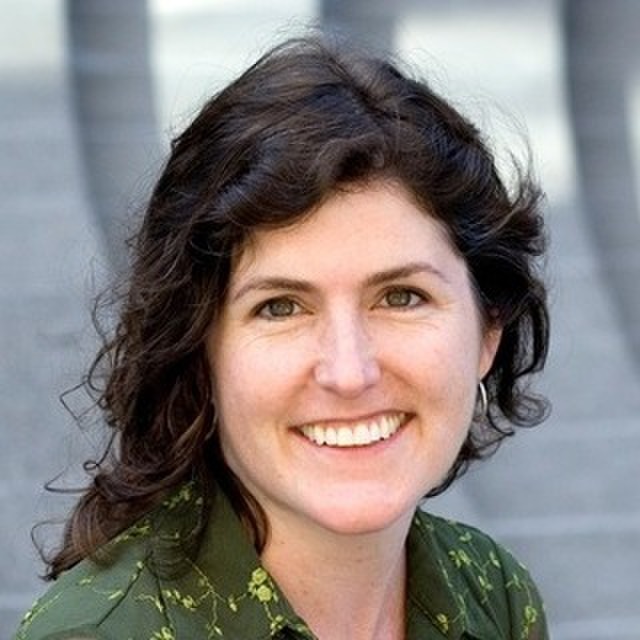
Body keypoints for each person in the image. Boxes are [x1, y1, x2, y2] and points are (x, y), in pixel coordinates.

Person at [15, 35, 551, 640]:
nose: (349, 372)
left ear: (488, 330)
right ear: (199, 350)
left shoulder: (493, 593)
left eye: (401, 297)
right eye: (281, 308)